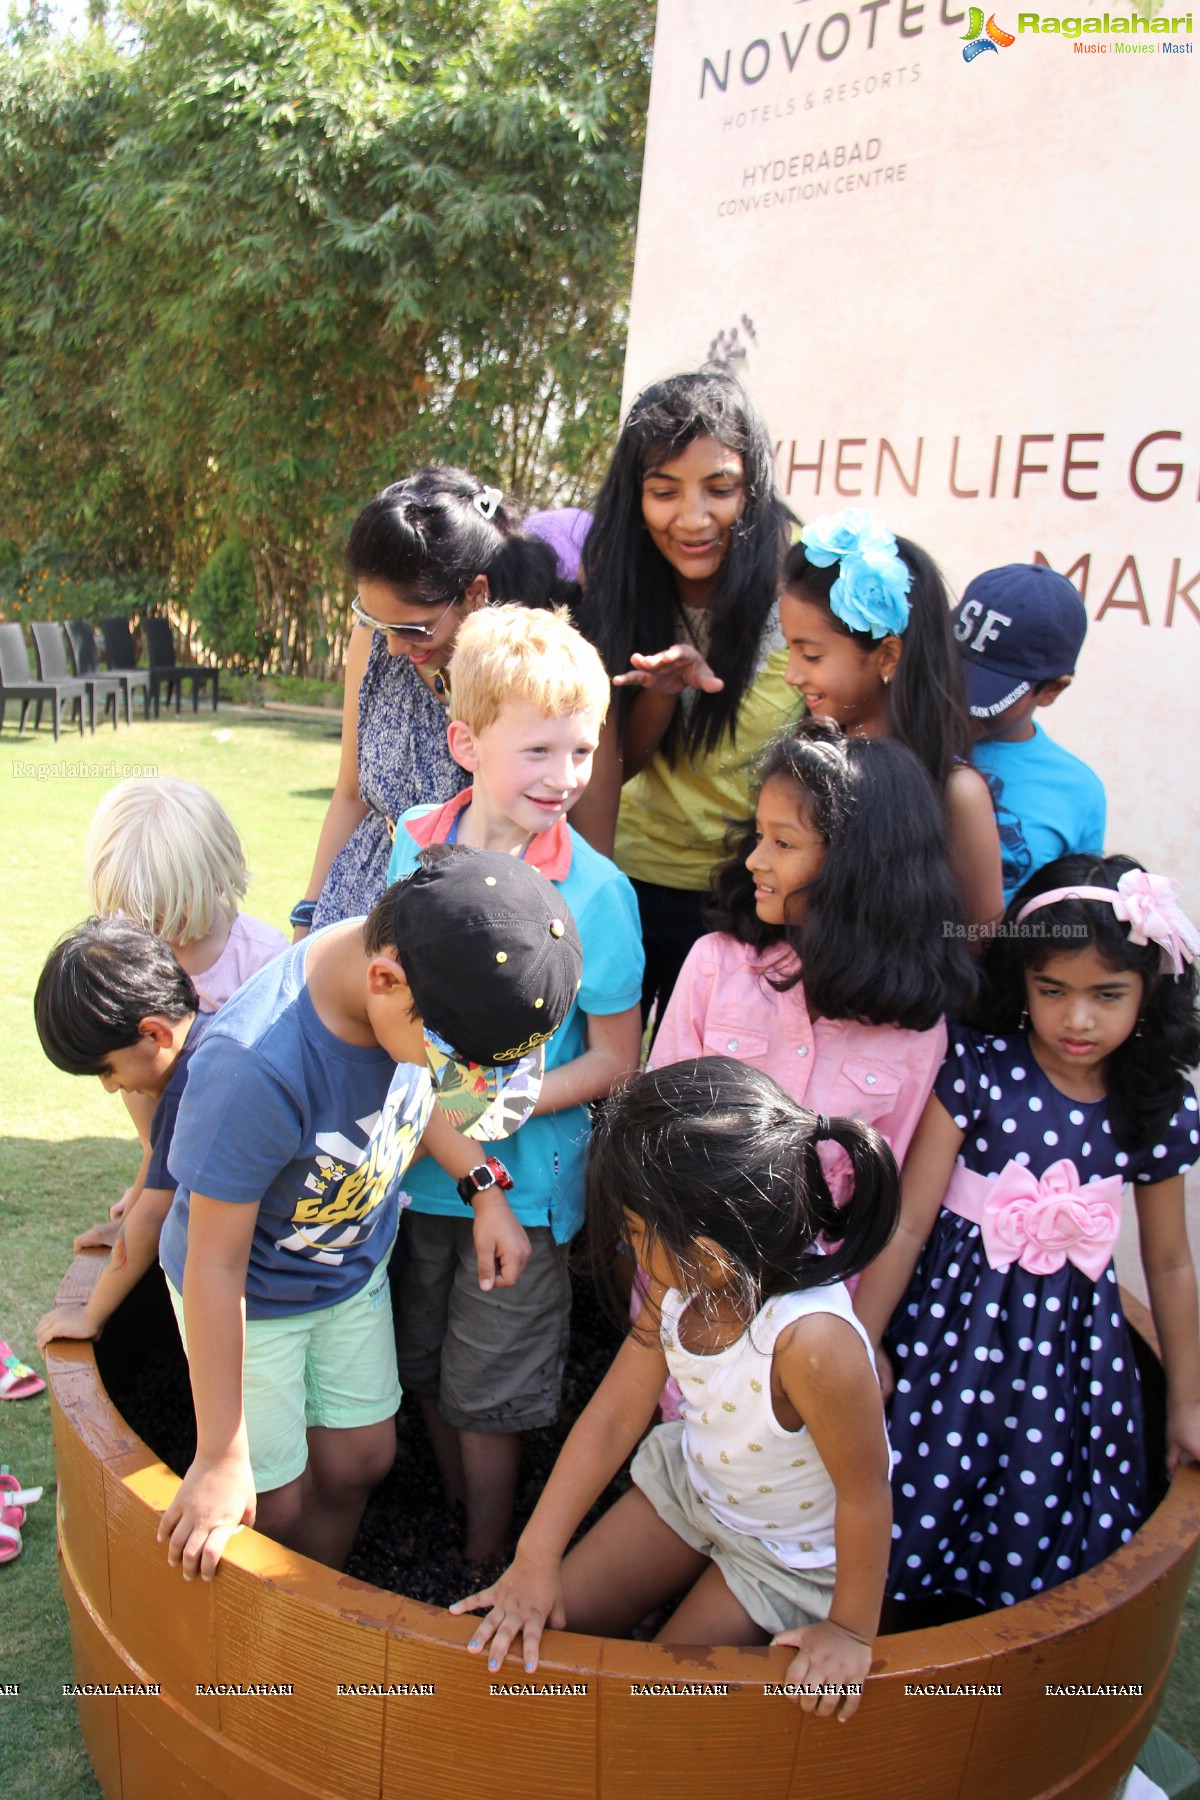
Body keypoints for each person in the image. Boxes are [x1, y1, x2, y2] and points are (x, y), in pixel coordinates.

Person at [154, 846, 583, 1581]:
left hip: (350, 1275)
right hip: (254, 1301)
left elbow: (421, 1107)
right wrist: (220, 1455)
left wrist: (483, 1188)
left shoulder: (410, 978)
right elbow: (214, 1263)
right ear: (385, 982)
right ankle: (276, 1638)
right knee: (272, 1505)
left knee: (362, 1459)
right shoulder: (253, 1068)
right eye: (449, 1063)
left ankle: (320, 1604)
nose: (451, 1081)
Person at [451, 1058, 898, 1721]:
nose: (631, 1249)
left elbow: (866, 1497)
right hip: (696, 1489)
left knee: (656, 1708)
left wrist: (851, 1632)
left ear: (710, 1240)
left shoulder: (813, 1344)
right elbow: (612, 1415)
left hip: (784, 1556)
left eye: (635, 1231)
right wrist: (535, 1556)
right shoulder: (683, 1278)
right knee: (545, 1621)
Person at [853, 854, 1200, 1611]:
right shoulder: (977, 1068)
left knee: (1038, 1480)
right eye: (1054, 991)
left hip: (1068, 1349)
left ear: (1151, 991)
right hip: (946, 1329)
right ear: (1023, 982)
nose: (1079, 1019)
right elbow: (910, 1221)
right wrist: (863, 1339)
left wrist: (1187, 1399)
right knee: (918, 1471)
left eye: (1109, 995)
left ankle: (999, 1642)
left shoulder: (1153, 1103)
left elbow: (1170, 1263)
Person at [385, 603, 644, 1560]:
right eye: (539, 750)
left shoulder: (599, 894)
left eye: (582, 752)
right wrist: (456, 1121)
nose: (566, 778)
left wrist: (519, 1100)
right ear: (465, 741)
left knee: (489, 1391)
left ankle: (487, 1558)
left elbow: (617, 1056)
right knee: (421, 1364)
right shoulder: (413, 843)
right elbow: (390, 1013)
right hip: (411, 1176)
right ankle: (454, 1523)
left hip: (524, 1196)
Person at [573, 368, 798, 1023]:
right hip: (634, 881)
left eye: (720, 489)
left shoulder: (802, 587)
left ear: (752, 489)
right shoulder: (617, 580)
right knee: (602, 1079)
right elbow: (618, 765)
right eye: (663, 492)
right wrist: (663, 694)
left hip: (750, 894)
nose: (693, 519)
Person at [296, 469, 559, 937]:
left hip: (464, 920)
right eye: (379, 623)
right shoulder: (374, 644)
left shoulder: (532, 676)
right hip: (354, 903)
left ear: (477, 593)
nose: (395, 646)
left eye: (413, 628)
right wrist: (307, 912)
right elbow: (350, 794)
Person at [80, 777, 287, 1247]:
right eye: (133, 914)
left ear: (213, 876)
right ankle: (151, 1196)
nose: (150, 932)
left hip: (242, 1154)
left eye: (163, 913)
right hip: (167, 1137)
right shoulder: (127, 953)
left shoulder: (261, 960)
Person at [779, 508, 1003, 937]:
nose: (792, 674)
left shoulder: (956, 792)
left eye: (811, 655)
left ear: (887, 656)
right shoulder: (800, 762)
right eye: (789, 650)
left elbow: (977, 937)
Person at [34, 919, 212, 1353]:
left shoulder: (192, 1084)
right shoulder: (209, 1041)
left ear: (153, 1033)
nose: (111, 1087)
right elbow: (158, 1171)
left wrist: (90, 1315)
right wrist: (127, 1218)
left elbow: (155, 1215)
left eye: (107, 1070)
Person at [952, 563, 1106, 905]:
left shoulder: (1077, 792)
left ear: (1052, 690)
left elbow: (1066, 920)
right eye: (953, 668)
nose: (958, 697)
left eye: (985, 686)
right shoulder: (899, 734)